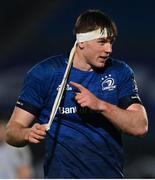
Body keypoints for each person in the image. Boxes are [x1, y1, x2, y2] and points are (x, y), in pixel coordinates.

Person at [6, 9, 148, 178]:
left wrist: (101, 105)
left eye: (111, 42)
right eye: (102, 42)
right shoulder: (45, 73)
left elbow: (140, 127)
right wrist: (26, 133)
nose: (109, 49)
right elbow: (11, 132)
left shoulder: (119, 72)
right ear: (82, 42)